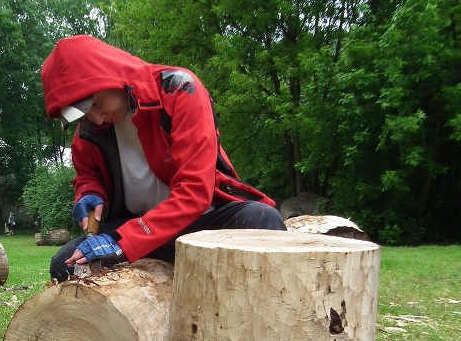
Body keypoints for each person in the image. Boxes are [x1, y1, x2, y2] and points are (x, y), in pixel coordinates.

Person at [40, 35, 287, 281]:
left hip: (202, 224)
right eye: (83, 115)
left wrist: (123, 242)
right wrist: (89, 193)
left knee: (262, 221)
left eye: (95, 104)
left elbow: (195, 191)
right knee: (66, 265)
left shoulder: (179, 89)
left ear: (109, 74)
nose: (96, 119)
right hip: (134, 225)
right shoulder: (88, 132)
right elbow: (88, 175)